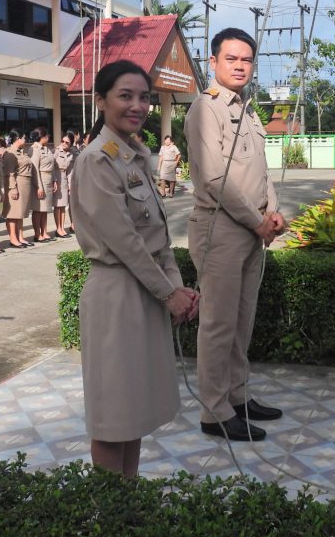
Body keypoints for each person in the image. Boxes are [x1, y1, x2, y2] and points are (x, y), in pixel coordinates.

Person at [70, 60, 198, 477]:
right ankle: (112, 509)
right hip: (116, 297)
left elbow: (158, 237)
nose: (138, 106)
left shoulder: (137, 156)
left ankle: (130, 501)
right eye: (125, 96)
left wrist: (177, 288)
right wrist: (169, 293)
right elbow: (124, 241)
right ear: (101, 101)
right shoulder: (96, 160)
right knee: (114, 417)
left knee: (136, 412)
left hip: (146, 292)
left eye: (144, 97)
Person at [185, 28, 287, 441]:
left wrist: (273, 211)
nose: (240, 66)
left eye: (246, 60)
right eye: (231, 58)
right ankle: (214, 412)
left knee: (242, 321)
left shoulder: (248, 110)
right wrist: (256, 221)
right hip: (221, 229)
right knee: (218, 324)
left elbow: (260, 170)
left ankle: (237, 397)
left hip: (250, 228)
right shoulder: (205, 109)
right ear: (213, 62)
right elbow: (214, 179)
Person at [1, 129, 35, 249]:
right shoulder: (10, 153)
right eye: (24, 138)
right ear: (18, 139)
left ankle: (20, 237)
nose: (26, 140)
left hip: (24, 184)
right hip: (16, 183)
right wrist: (13, 188)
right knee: (13, 213)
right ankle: (13, 238)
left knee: (20, 212)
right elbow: (9, 173)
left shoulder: (21, 152)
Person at [29, 127, 57, 242]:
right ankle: (37, 234)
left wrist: (54, 180)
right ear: (43, 137)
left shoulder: (46, 149)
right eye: (47, 136)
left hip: (48, 180)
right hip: (40, 180)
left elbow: (52, 166)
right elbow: (35, 169)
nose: (48, 137)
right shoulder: (35, 149)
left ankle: (44, 232)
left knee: (45, 209)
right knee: (38, 209)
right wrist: (39, 186)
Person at [52, 131, 75, 237]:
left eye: (67, 142)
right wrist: (54, 180)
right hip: (57, 178)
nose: (64, 143)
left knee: (63, 205)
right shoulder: (56, 151)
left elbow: (70, 171)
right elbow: (51, 167)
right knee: (58, 205)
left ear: (71, 144)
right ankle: (58, 228)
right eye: (62, 141)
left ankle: (62, 228)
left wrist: (70, 185)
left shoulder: (71, 154)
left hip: (64, 178)